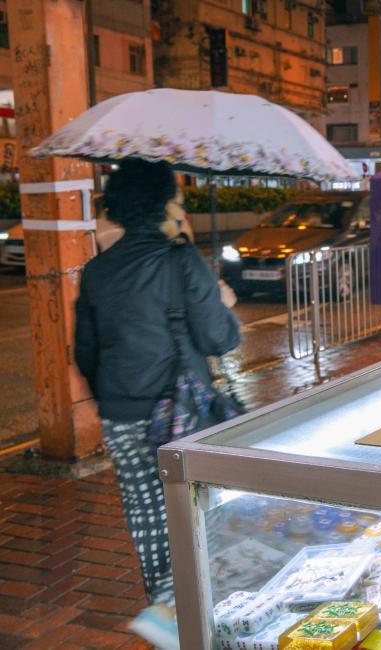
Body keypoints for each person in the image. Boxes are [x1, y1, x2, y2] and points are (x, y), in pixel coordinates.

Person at [75, 159, 241, 649]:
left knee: (149, 521)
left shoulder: (97, 270)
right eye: (178, 199)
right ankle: (174, 611)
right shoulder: (180, 259)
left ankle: (169, 611)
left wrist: (118, 395)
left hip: (121, 414)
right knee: (203, 513)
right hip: (181, 411)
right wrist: (223, 301)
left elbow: (85, 352)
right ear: (164, 204)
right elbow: (219, 337)